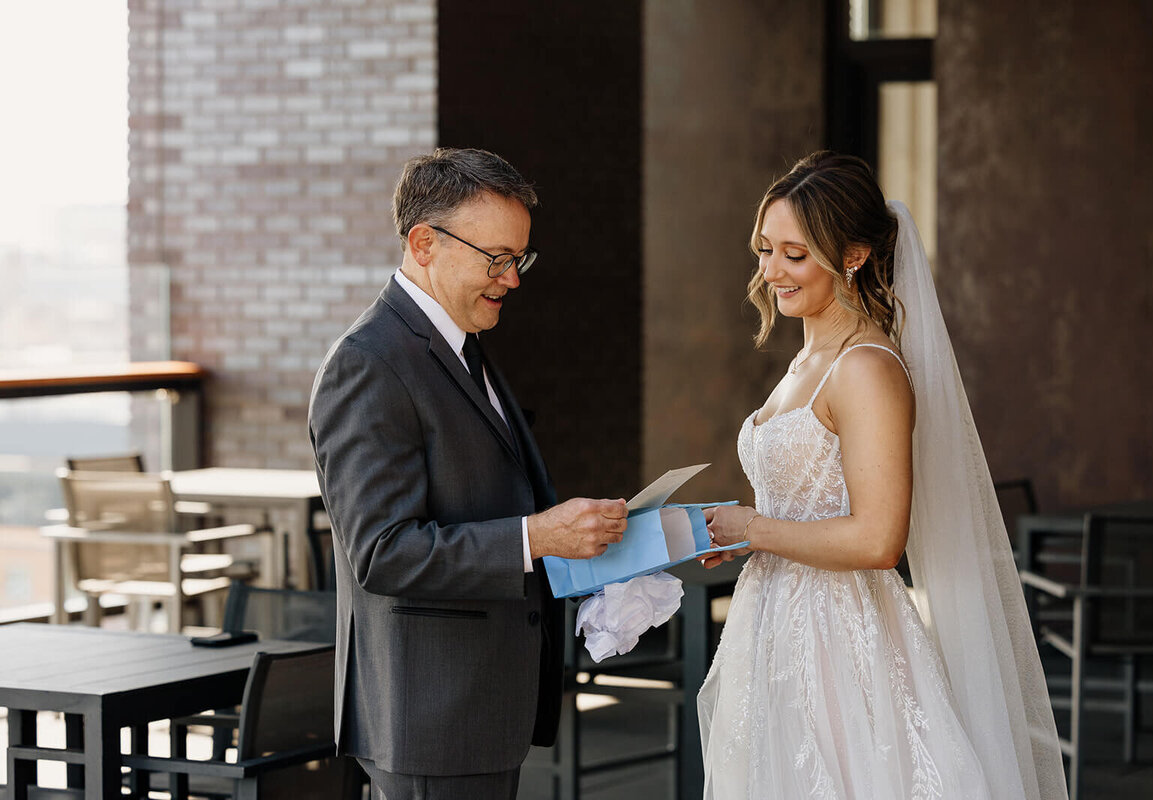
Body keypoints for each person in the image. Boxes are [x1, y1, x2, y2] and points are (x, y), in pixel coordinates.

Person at [696, 151, 1067, 799]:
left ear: (854, 256)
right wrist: (746, 535)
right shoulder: (809, 355)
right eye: (765, 249)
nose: (772, 271)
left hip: (839, 643)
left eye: (795, 253)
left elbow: (877, 541)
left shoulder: (865, 367)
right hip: (774, 627)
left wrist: (753, 526)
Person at [308, 147, 628, 800]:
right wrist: (536, 538)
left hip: (476, 713)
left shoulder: (463, 345)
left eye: (519, 259)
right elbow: (383, 553)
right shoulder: (368, 364)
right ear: (424, 243)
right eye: (498, 259)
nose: (512, 279)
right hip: (430, 719)